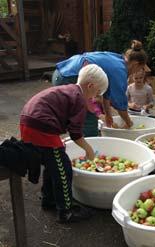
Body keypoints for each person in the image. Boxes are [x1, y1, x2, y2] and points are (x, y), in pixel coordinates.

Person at [20, 64, 109, 223]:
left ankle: (49, 200)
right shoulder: (79, 98)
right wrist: (88, 150)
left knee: (53, 163)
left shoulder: (69, 90)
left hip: (29, 121)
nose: (95, 98)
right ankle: (66, 211)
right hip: (41, 126)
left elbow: (58, 114)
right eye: (97, 93)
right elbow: (75, 133)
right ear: (90, 86)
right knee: (64, 168)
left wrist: (55, 137)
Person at [52, 40, 148, 136]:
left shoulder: (117, 59)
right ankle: (90, 145)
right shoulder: (120, 70)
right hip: (69, 77)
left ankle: (84, 142)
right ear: (135, 64)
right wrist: (129, 123)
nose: (136, 72)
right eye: (139, 69)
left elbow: (107, 92)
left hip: (62, 72)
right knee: (89, 120)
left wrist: (108, 115)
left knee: (83, 117)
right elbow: (120, 104)